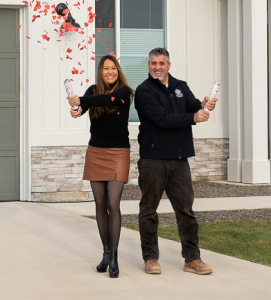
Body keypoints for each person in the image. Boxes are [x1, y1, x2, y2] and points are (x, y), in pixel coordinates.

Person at [133, 47, 216, 276]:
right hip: (153, 159)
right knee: (149, 210)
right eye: (153, 63)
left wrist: (203, 105)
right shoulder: (143, 91)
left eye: (161, 63)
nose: (157, 67)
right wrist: (193, 117)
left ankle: (192, 259)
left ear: (169, 65)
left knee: (186, 210)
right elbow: (161, 119)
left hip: (179, 160)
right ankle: (150, 257)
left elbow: (192, 107)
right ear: (149, 66)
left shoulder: (181, 86)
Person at [68, 54, 132, 278]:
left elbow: (107, 100)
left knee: (113, 204)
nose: (110, 72)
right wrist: (76, 109)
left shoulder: (124, 91)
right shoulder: (92, 91)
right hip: (95, 152)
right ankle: (105, 253)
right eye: (106, 69)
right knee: (100, 204)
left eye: (113, 68)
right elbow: (82, 111)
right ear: (100, 71)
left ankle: (114, 257)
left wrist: (82, 101)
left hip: (118, 153)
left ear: (118, 70)